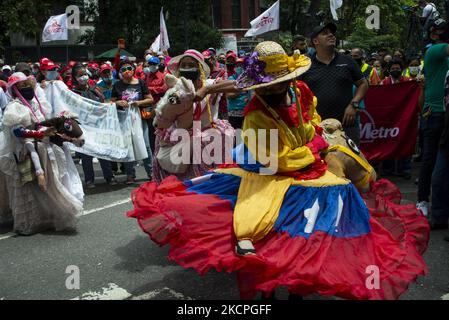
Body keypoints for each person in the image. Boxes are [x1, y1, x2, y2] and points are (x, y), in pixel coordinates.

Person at [128, 41, 429, 300]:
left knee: (322, 223)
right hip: (272, 171)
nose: (272, 88)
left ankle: (298, 289)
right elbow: (279, 161)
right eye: (265, 85)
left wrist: (317, 135)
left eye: (276, 82)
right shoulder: (256, 115)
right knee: (264, 234)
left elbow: (311, 119)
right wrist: (314, 147)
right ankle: (268, 290)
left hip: (309, 167)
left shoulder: (300, 90)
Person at [0, 72, 84, 235]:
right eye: (22, 86)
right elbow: (17, 131)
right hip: (26, 149)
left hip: (44, 148)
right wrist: (39, 134)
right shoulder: (14, 107)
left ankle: (49, 217)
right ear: (15, 89)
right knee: (29, 186)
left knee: (50, 184)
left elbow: (41, 123)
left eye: (28, 85)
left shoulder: (36, 103)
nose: (27, 89)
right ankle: (30, 221)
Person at [151, 49, 235, 183]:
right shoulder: (175, 90)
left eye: (191, 65)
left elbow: (239, 85)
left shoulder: (211, 84)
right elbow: (164, 112)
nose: (186, 68)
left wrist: (207, 90)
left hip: (205, 142)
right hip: (178, 140)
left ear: (200, 68)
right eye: (183, 65)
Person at [299, 23, 369, 146]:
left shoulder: (348, 61)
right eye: (325, 33)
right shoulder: (305, 64)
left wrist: (354, 105)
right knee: (321, 164)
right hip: (316, 128)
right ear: (315, 41)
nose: (331, 35)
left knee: (350, 162)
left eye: (331, 33)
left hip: (346, 126)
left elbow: (363, 83)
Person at [416, 18, 449, 218]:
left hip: (444, 113)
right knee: (431, 159)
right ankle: (422, 201)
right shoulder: (435, 51)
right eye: (438, 31)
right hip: (435, 114)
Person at [71, 64, 117, 188]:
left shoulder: (95, 89)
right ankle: (89, 180)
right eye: (80, 75)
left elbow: (103, 104)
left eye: (85, 74)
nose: (84, 77)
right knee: (86, 155)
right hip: (83, 128)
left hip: (98, 127)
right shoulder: (73, 93)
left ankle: (109, 176)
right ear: (75, 78)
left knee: (103, 152)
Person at [111, 59, 154, 184]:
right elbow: (111, 102)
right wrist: (118, 102)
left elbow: (150, 99)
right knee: (128, 146)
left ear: (133, 70)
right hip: (124, 119)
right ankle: (130, 175)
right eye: (123, 69)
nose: (127, 71)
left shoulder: (140, 83)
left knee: (145, 145)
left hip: (140, 119)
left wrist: (138, 103)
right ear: (120, 72)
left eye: (129, 68)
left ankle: (151, 172)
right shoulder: (117, 85)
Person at [226, 58, 252, 129]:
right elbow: (229, 95)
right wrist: (240, 90)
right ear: (234, 68)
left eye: (241, 65)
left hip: (247, 111)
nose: (239, 67)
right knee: (236, 134)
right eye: (237, 66)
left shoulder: (249, 78)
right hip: (235, 111)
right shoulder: (231, 79)